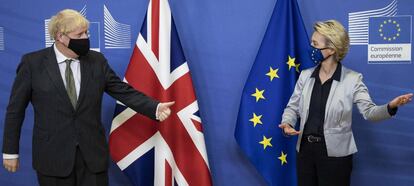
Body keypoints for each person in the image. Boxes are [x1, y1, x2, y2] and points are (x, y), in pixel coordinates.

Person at [2, 9, 174, 186]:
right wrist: (10, 152)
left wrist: (154, 107)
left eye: (87, 32)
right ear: (61, 36)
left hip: (92, 159)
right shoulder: (33, 63)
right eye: (80, 34)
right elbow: (15, 110)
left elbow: (123, 91)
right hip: (52, 159)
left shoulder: (96, 61)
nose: (86, 38)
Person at [278, 20, 413, 186]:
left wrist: (390, 107)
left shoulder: (353, 79)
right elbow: (292, 107)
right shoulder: (305, 76)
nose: (310, 48)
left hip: (336, 157)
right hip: (304, 153)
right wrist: (287, 123)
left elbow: (370, 113)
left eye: (315, 44)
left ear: (332, 48)